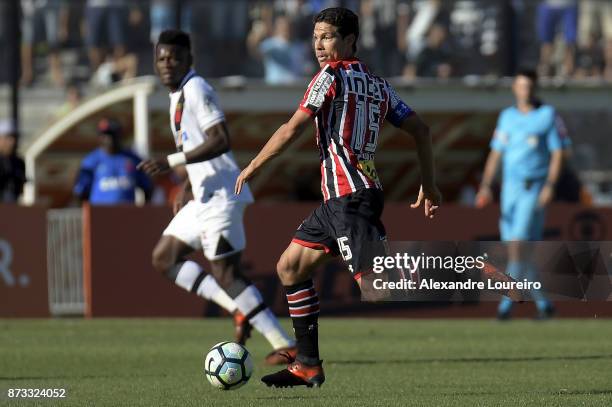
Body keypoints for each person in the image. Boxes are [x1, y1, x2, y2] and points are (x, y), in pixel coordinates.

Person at [235, 7, 441, 388]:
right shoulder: (380, 85)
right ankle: (308, 365)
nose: (319, 45)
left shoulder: (328, 76)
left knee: (377, 290)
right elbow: (421, 130)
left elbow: (291, 128)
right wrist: (428, 184)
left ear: (349, 41)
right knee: (290, 267)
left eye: (327, 37)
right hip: (343, 200)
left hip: (349, 199)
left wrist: (253, 166)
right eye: (315, 38)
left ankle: (464, 269)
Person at [137, 30, 296, 364]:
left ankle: (284, 343)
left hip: (223, 196)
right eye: (162, 58)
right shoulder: (176, 95)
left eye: (175, 58)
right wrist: (188, 186)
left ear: (188, 60)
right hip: (203, 196)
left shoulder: (196, 89)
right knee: (164, 258)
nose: (168, 65)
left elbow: (220, 140)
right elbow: (200, 148)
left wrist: (170, 163)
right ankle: (239, 311)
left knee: (227, 274)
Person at [476, 69, 570, 320]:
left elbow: (559, 152)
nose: (524, 91)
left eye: (529, 86)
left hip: (534, 187)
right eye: (520, 86)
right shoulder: (507, 117)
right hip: (510, 190)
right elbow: (496, 153)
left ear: (535, 88)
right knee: (519, 251)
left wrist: (550, 185)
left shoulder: (547, 115)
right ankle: (544, 305)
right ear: (514, 89)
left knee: (518, 247)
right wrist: (486, 184)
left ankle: (505, 308)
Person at [73, 118, 153, 205]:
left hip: (127, 214)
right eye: (105, 135)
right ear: (99, 137)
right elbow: (80, 192)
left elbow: (147, 187)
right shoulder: (91, 161)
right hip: (100, 213)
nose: (109, 139)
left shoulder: (133, 159)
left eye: (112, 134)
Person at [0, 120, 26, 203]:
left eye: (13, 138)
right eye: (7, 138)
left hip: (13, 205)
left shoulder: (19, 161)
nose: (11, 142)